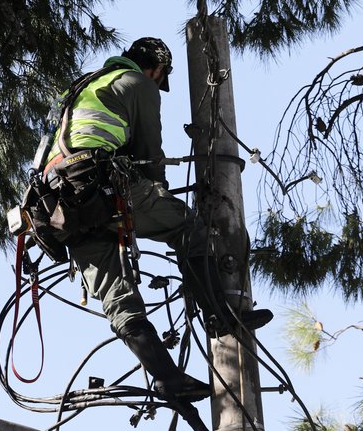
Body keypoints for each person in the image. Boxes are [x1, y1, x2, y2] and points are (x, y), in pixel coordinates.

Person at [45, 37, 273, 402]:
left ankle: (167, 378)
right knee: (187, 227)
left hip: (61, 205)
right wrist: (161, 194)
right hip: (99, 185)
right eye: (160, 75)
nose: (158, 82)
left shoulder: (86, 85)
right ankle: (221, 316)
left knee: (118, 299)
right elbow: (149, 155)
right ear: (155, 67)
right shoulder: (136, 84)